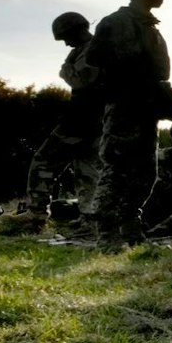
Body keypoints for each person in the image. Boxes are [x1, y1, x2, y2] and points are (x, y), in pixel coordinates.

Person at [90, 0, 172, 246]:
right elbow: (99, 60)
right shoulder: (116, 22)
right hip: (124, 107)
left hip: (146, 110)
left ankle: (129, 227)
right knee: (116, 169)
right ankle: (106, 234)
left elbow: (157, 72)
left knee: (145, 173)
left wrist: (163, 94)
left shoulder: (151, 28)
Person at [24, 12, 102, 223]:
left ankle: (36, 215)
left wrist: (65, 68)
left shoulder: (94, 49)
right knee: (86, 170)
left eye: (66, 37)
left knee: (43, 162)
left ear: (77, 30)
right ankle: (90, 218)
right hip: (93, 120)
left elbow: (79, 80)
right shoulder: (86, 49)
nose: (66, 44)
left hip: (82, 120)